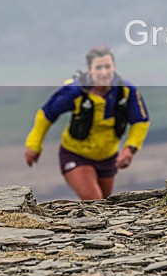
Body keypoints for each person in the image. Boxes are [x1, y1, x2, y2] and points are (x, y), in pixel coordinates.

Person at [24, 45, 150, 200]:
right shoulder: (75, 91)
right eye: (98, 68)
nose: (104, 72)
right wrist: (33, 145)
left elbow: (141, 121)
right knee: (94, 201)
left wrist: (130, 149)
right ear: (90, 70)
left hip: (108, 157)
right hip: (75, 155)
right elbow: (46, 114)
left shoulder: (127, 91)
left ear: (114, 67)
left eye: (107, 66)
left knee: (104, 205)